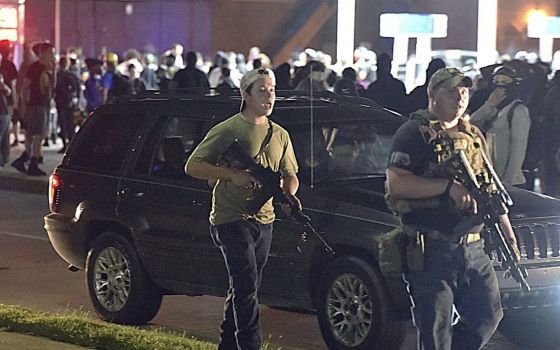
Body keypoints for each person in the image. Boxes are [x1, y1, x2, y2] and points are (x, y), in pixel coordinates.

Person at [386, 67, 517, 349]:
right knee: (435, 331)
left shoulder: (473, 136)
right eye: (452, 91)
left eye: (464, 91)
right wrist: (447, 187)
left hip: (473, 248)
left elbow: (489, 186)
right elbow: (397, 184)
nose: (460, 98)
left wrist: (506, 228)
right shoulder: (414, 133)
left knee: (488, 317)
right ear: (432, 94)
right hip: (432, 248)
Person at [185, 68, 300, 350]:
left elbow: (291, 174)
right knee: (246, 285)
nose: (269, 95)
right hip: (230, 218)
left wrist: (288, 195)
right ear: (245, 95)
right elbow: (193, 165)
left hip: (264, 220)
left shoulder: (280, 134)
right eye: (261, 89)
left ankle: (228, 344)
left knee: (244, 287)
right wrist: (231, 175)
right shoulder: (228, 130)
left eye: (272, 89)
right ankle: (250, 344)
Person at [470, 66, 530, 187]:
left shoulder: (518, 110)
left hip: (509, 181)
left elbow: (518, 149)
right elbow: (472, 124)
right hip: (492, 177)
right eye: (496, 82)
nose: (500, 87)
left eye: (505, 83)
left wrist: (508, 181)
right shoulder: (493, 108)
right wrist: (489, 105)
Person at [11, 42, 55, 176]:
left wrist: (53, 72)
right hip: (35, 104)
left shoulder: (49, 67)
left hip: (44, 103)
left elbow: (52, 86)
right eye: (49, 52)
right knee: (37, 134)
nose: (51, 55)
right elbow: (25, 87)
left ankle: (25, 159)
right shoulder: (34, 67)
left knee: (36, 133)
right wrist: (23, 105)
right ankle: (32, 162)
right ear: (42, 53)